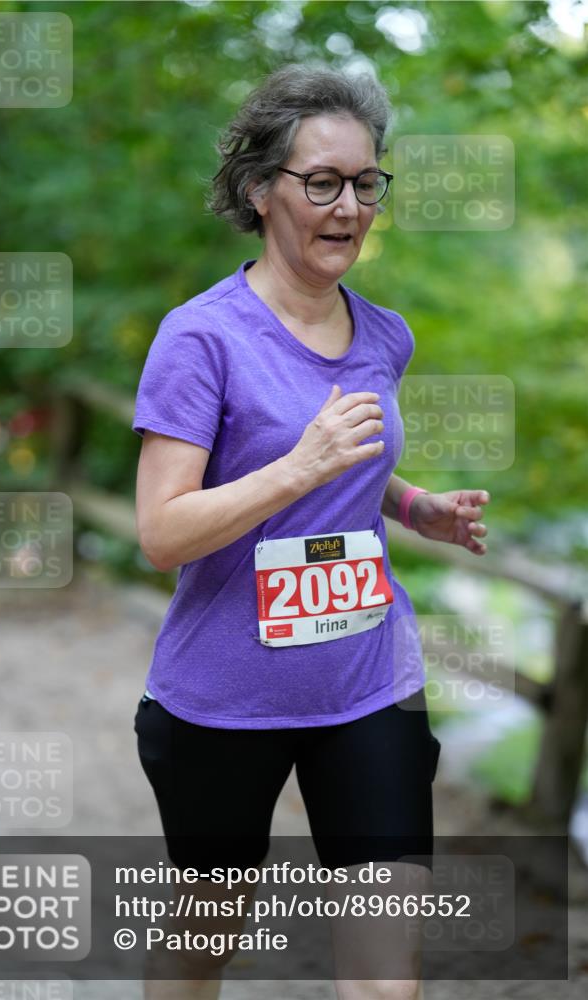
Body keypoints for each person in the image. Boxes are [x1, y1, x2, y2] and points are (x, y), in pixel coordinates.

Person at [131, 63, 489, 1000]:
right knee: (202, 942)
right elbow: (163, 533)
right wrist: (301, 464)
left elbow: (353, 476)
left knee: (385, 980)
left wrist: (420, 510)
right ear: (261, 191)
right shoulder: (199, 339)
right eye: (320, 182)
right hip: (224, 698)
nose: (348, 206)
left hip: (369, 684)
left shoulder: (384, 335)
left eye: (365, 183)